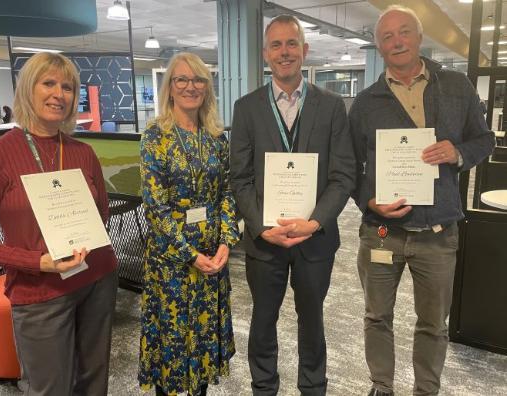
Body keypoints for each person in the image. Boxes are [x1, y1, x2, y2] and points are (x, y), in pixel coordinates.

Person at [349, 6, 495, 396]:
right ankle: (382, 386)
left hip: (437, 232)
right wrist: (369, 201)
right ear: (378, 45)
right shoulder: (365, 103)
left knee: (433, 323)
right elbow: (348, 166)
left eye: (404, 33)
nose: (397, 42)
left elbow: (486, 140)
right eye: (387, 36)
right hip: (382, 233)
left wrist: (458, 151)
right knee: (377, 317)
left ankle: (426, 390)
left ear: (419, 36)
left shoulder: (456, 86)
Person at [0, 52, 118, 395]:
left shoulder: (82, 152)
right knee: (49, 388)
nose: (59, 93)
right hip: (40, 291)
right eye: (49, 83)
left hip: (96, 279)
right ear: (28, 89)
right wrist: (37, 261)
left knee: (94, 382)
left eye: (68, 87)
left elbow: (100, 214)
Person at [230, 15, 356, 396]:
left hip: (314, 241)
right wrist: (259, 225)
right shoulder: (247, 107)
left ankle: (313, 387)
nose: (284, 52)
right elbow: (240, 177)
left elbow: (343, 175)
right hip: (264, 240)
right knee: (263, 320)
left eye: (291, 44)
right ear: (266, 54)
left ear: (305, 50)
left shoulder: (332, 106)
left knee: (313, 320)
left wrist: (315, 223)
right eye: (276, 45)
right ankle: (263, 387)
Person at [138, 52, 240, 396]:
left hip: (212, 256)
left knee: (202, 345)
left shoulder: (216, 136)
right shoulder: (155, 137)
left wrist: (227, 240)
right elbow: (156, 207)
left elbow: (227, 191)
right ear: (169, 88)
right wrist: (189, 254)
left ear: (206, 88)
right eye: (181, 79)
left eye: (197, 80)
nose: (190, 86)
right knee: (173, 346)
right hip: (172, 262)